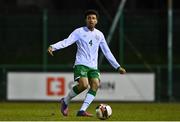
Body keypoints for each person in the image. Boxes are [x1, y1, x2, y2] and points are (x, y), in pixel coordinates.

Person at [47, 9, 126, 117]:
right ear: (86, 20)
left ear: (97, 21)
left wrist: (117, 67)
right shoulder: (79, 32)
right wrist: (53, 47)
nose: (91, 20)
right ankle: (65, 101)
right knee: (84, 85)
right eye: (89, 18)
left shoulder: (100, 35)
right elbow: (67, 41)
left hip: (93, 67)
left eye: (93, 18)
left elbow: (107, 52)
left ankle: (82, 110)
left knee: (95, 84)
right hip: (81, 64)